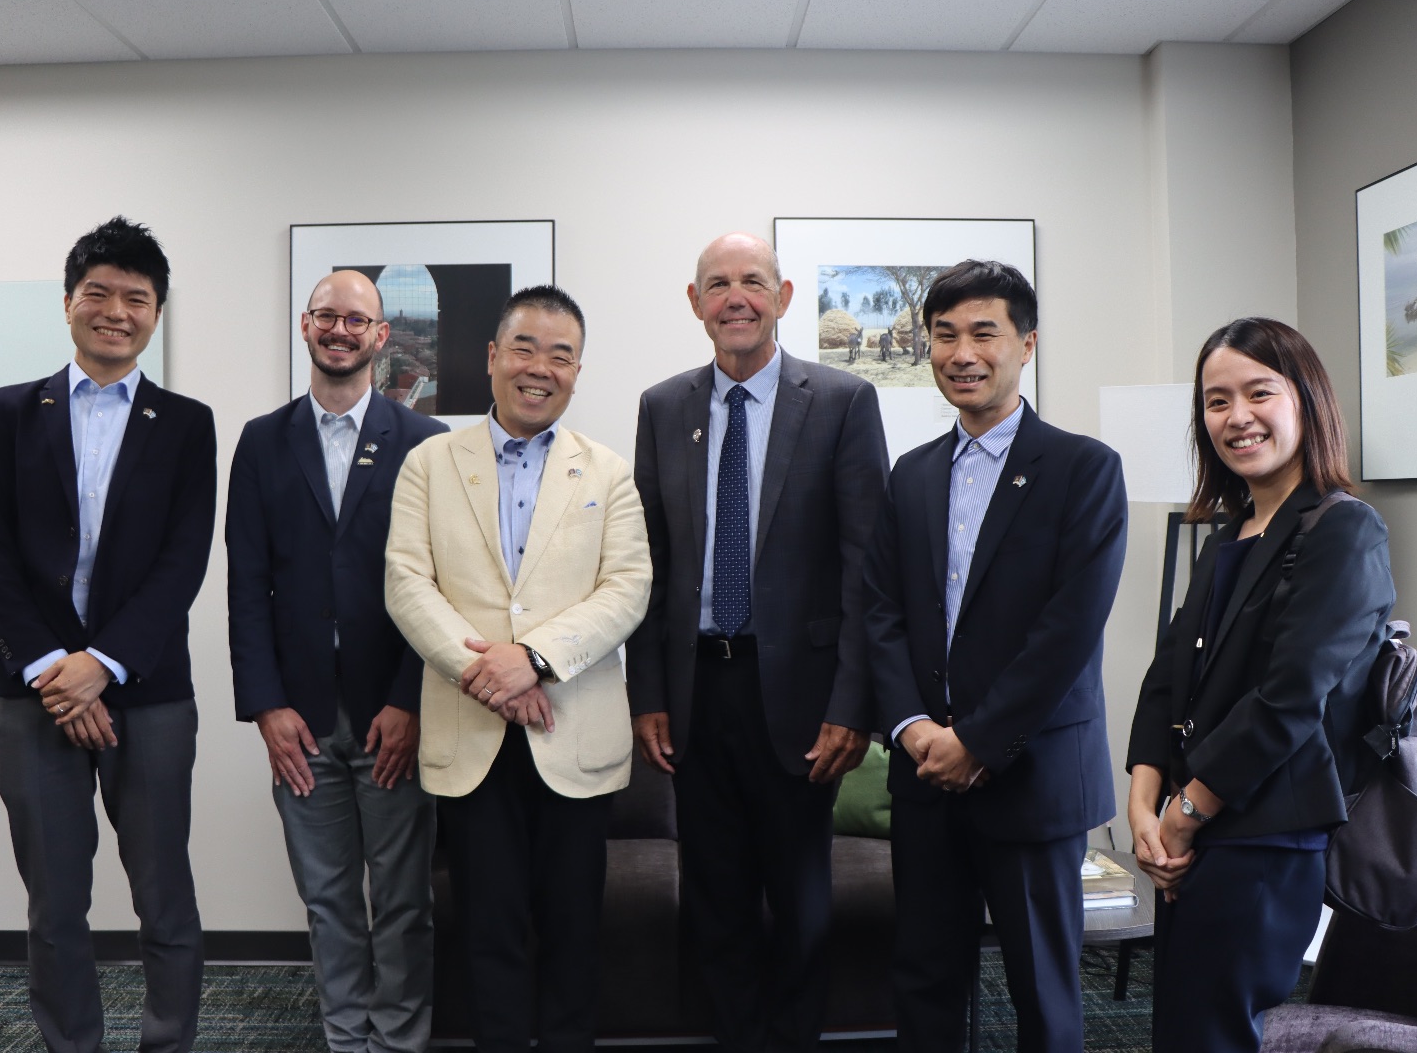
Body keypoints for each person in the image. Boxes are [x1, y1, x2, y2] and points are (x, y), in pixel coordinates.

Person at [627, 232, 888, 1053]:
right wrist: (650, 696)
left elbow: (864, 570)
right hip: (699, 691)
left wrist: (854, 703)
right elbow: (652, 565)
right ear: (694, 301)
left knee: (803, 905)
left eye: (752, 282)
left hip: (804, 701)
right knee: (717, 902)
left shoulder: (842, 401)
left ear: (781, 297)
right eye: (717, 284)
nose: (734, 296)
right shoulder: (663, 406)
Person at [0, 217, 215, 1053]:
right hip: (34, 697)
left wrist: (100, 667)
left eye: (136, 299)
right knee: (56, 904)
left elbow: (182, 562)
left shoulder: (187, 423)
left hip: (148, 695)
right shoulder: (8, 413)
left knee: (163, 894)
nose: (117, 311)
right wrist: (54, 673)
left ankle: (167, 1041)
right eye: (99, 294)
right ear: (69, 303)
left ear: (157, 313)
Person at [864, 259, 1127, 1053]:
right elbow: (880, 614)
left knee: (1043, 993)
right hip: (925, 779)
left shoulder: (1084, 468)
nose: (962, 352)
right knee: (924, 979)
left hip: (1031, 775)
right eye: (944, 335)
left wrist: (977, 741)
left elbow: (1069, 630)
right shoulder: (910, 476)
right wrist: (914, 729)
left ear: (1027, 343)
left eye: (985, 332)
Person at [384, 285, 651, 1053]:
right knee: (488, 929)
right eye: (526, 349)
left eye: (560, 355)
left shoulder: (607, 471)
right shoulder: (429, 463)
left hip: (573, 735)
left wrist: (533, 660)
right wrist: (488, 675)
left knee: (573, 930)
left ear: (576, 371)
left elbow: (628, 587)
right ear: (493, 357)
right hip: (472, 736)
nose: (541, 368)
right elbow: (407, 581)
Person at [1126, 317, 1395, 1053]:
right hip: (1197, 827)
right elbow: (1166, 677)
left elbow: (1290, 700)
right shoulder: (1228, 534)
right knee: (1184, 1024)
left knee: (1215, 1031)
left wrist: (1181, 816)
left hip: (1266, 835)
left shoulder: (1345, 530)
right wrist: (1142, 801)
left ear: (1306, 400)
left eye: (1258, 392)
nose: (1236, 417)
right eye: (1216, 401)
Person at [226, 269, 446, 1053]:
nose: (341, 330)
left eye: (358, 320)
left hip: (396, 712)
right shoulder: (260, 441)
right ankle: (346, 1039)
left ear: (382, 336)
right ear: (305, 325)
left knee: (402, 901)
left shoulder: (425, 444)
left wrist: (413, 699)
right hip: (301, 718)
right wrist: (265, 705)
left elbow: (445, 590)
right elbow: (247, 585)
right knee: (327, 901)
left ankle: (400, 1040)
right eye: (327, 316)